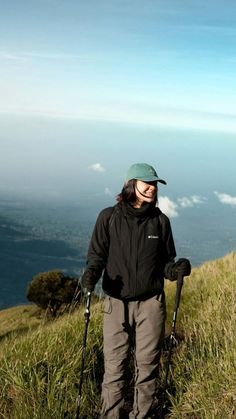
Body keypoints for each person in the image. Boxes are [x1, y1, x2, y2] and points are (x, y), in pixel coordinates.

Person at [81, 163, 191, 419]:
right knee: (114, 368)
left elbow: (165, 263)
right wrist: (91, 276)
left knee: (147, 366)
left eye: (154, 184)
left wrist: (177, 269)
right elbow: (97, 256)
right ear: (131, 184)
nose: (152, 188)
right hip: (115, 304)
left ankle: (140, 415)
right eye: (147, 183)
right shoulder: (108, 217)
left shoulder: (160, 221)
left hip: (151, 303)